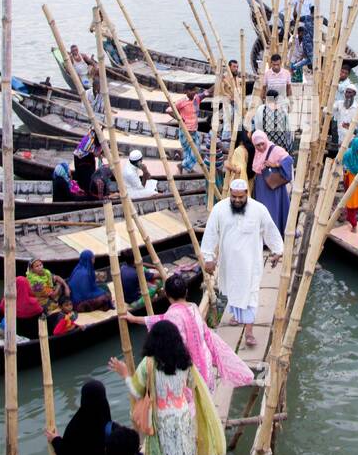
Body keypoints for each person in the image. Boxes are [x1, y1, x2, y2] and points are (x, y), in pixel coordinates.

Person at [106, 320, 226, 455]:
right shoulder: (185, 361)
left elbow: (136, 392)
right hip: (182, 415)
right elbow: (192, 385)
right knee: (181, 454)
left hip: (160, 418)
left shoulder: (149, 363)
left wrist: (125, 374)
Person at [122, 271, 253, 391]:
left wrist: (133, 319)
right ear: (186, 292)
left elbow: (163, 322)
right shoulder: (193, 307)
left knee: (194, 406)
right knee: (206, 400)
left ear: (166, 294)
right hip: (205, 364)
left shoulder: (172, 315)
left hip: (191, 370)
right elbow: (164, 319)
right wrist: (135, 319)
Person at [201, 179, 284, 348]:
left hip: (251, 263)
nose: (237, 200)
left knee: (251, 294)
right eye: (234, 197)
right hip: (229, 262)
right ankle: (237, 314)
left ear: (247, 194)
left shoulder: (259, 210)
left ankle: (249, 332)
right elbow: (210, 233)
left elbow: (270, 230)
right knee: (233, 290)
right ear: (230, 193)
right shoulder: (219, 209)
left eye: (240, 197)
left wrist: (277, 251)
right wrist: (208, 258)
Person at [250, 129, 293, 234]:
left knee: (273, 211)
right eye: (257, 145)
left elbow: (289, 159)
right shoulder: (256, 152)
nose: (260, 147)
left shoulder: (275, 149)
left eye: (262, 144)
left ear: (266, 140)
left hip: (274, 186)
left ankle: (275, 236)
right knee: (262, 212)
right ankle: (264, 239)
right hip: (261, 186)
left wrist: (276, 164)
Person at [26, 258, 75, 330]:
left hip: (50, 294)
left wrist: (66, 286)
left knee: (66, 284)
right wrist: (58, 285)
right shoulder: (36, 282)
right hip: (43, 301)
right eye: (37, 266)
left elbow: (57, 277)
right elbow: (53, 294)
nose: (40, 267)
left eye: (40, 265)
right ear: (32, 269)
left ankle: (66, 305)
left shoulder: (45, 273)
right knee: (57, 311)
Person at [172, 90, 205, 172]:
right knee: (193, 151)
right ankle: (183, 165)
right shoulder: (181, 101)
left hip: (194, 130)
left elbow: (207, 92)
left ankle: (187, 167)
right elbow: (169, 110)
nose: (194, 93)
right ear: (186, 91)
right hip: (185, 131)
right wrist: (179, 118)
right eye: (191, 91)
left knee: (193, 151)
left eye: (194, 91)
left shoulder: (196, 99)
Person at [252, 87, 292, 153]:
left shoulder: (261, 109)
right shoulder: (283, 110)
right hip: (281, 144)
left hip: (266, 143)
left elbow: (258, 127)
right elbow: (287, 128)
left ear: (267, 98)